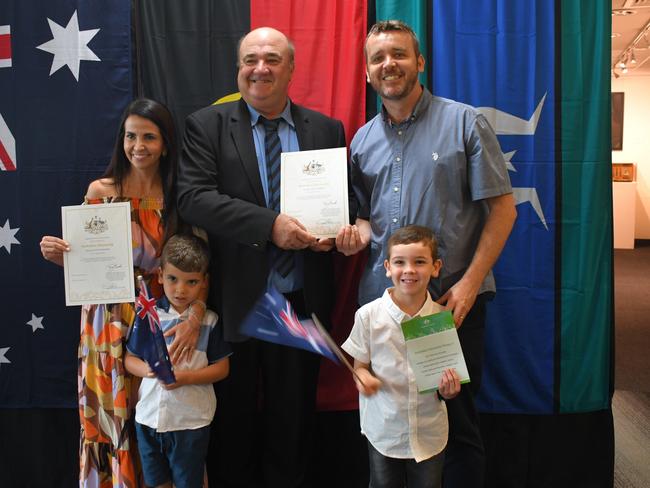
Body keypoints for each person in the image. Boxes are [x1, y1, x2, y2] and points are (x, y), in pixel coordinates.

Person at [336, 20, 517, 488]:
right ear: (368, 73)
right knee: (390, 420)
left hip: (450, 305)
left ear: (420, 62)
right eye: (377, 58)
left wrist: (471, 283)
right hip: (385, 310)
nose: (388, 64)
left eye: (398, 54)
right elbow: (363, 217)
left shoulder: (464, 121)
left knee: (455, 423)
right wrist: (354, 234)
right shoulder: (361, 141)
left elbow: (503, 210)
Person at [176, 27, 346, 487]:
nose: (260, 68)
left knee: (293, 426)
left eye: (272, 58)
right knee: (231, 425)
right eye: (250, 59)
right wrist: (269, 225)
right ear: (239, 68)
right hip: (236, 302)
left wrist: (338, 232)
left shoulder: (326, 130)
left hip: (300, 302)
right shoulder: (206, 125)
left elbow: (341, 205)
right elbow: (192, 198)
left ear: (291, 68)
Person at [40, 98, 206, 487]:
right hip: (106, 323)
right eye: (131, 136)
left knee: (160, 416)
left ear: (165, 143)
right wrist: (58, 255)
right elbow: (85, 264)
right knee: (110, 420)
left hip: (161, 318)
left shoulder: (181, 196)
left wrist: (195, 316)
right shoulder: (101, 190)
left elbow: (199, 268)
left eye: (149, 137)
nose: (138, 146)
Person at [342, 225, 461, 488]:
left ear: (435, 267)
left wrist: (450, 390)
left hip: (429, 431)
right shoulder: (368, 316)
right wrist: (362, 378)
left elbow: (447, 389)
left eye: (419, 262)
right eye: (399, 262)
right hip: (384, 429)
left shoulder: (440, 319)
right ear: (387, 267)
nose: (409, 270)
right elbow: (359, 367)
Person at [125, 233, 231, 488]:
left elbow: (222, 368)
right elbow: (130, 360)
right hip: (148, 418)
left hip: (190, 422)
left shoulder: (209, 321)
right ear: (160, 275)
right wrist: (148, 370)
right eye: (173, 279)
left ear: (203, 282)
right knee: (156, 482)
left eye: (191, 282)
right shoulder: (147, 316)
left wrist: (186, 378)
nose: (180, 290)